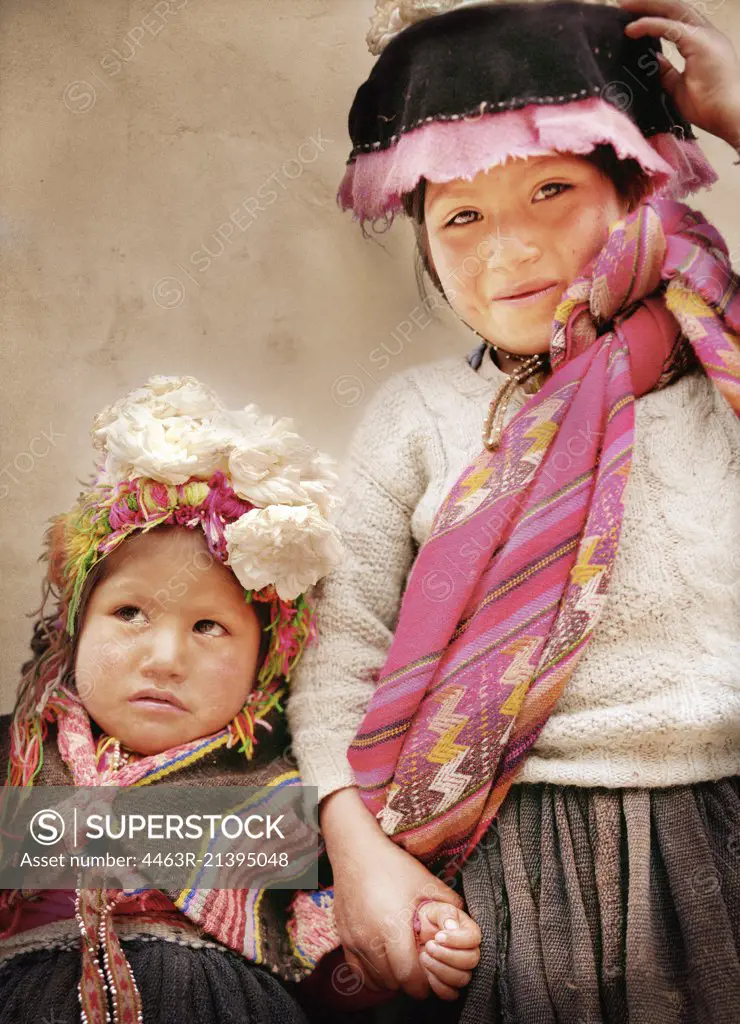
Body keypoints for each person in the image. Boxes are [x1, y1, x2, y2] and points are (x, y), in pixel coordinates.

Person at [287, 1, 740, 1020]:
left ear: (635, 189)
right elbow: (337, 665)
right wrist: (359, 860)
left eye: (552, 190)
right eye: (461, 216)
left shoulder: (721, 373)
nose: (512, 246)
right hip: (505, 867)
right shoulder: (417, 419)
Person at [0, 375, 349, 1024]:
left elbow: (327, 962)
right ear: (75, 626)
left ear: (264, 659)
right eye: (130, 611)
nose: (164, 658)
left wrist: (384, 952)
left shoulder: (282, 783)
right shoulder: (19, 756)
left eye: (208, 627)